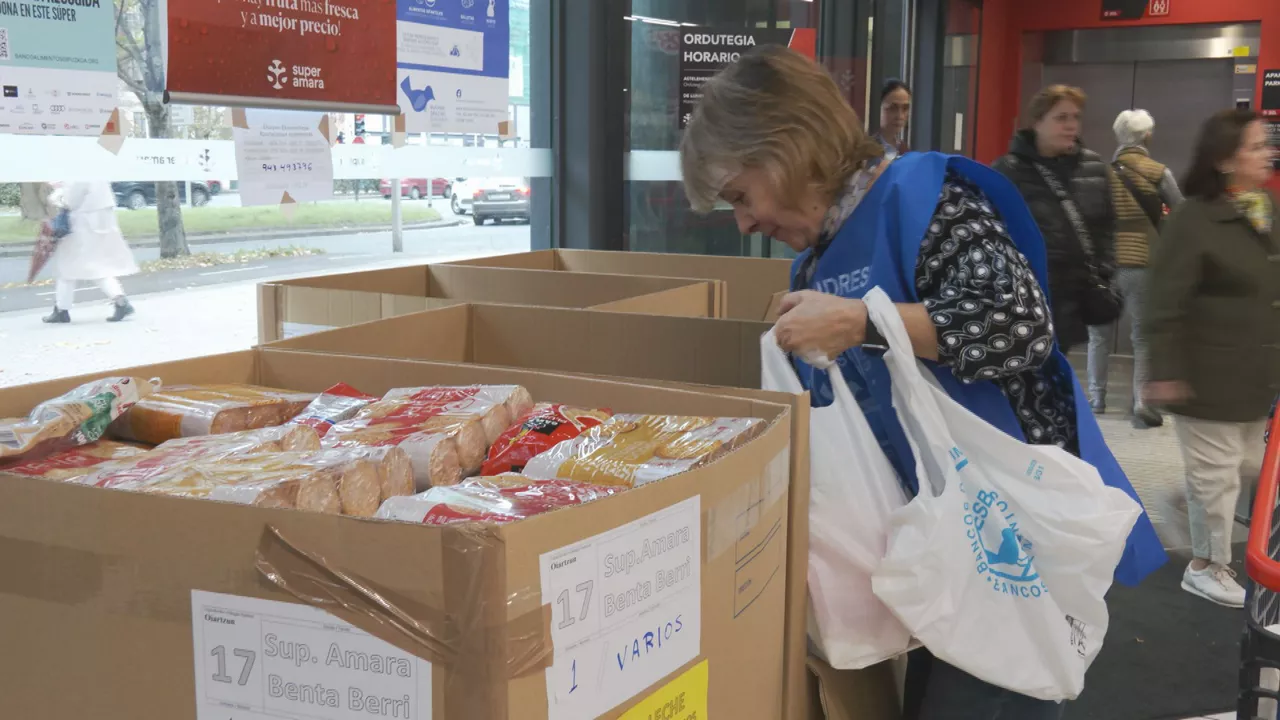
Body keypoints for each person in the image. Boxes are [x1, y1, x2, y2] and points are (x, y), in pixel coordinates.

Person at [680, 46, 1165, 720]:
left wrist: (864, 322)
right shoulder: (817, 259)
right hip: (940, 546)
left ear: (785, 150)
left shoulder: (924, 198)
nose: (744, 222)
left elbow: (1018, 323)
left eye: (739, 195)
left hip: (1004, 539)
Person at [1145, 108, 1278, 608]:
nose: (1268, 152)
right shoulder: (1193, 220)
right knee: (1219, 474)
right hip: (1205, 374)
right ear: (1224, 160)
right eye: (1256, 145)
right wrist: (1166, 372)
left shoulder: (1265, 207)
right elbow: (1163, 302)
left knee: (1249, 467)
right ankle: (1207, 566)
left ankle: (1182, 503)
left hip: (1256, 373)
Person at [994, 86, 1118, 356]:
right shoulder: (1009, 171)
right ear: (1037, 122)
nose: (1071, 126)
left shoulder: (1093, 167)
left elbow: (1107, 226)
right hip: (1025, 301)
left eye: (1075, 117)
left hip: (1073, 298)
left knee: (1058, 371)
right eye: (1061, 118)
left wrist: (1105, 272)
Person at [1086, 109, 1184, 427]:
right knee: (1141, 336)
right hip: (1142, 262)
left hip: (1106, 262)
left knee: (1098, 336)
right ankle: (1141, 402)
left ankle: (1096, 399)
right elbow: (1181, 214)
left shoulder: (1100, 173)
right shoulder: (1158, 172)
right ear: (1148, 136)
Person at [43, 181, 137, 324]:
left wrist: (56, 191)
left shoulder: (77, 170)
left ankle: (62, 309)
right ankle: (120, 300)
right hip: (101, 221)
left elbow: (69, 200)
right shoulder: (97, 172)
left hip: (81, 223)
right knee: (96, 264)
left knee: (68, 266)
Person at [868, 79, 910, 170]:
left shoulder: (905, 150)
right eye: (893, 108)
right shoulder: (865, 150)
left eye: (905, 108)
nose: (900, 116)